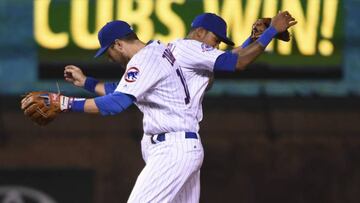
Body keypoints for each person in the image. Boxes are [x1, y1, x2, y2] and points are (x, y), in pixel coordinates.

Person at [65, 11, 297, 202]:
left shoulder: (179, 52)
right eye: (216, 39)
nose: (216, 46)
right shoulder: (183, 50)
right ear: (199, 32)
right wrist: (268, 34)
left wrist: (261, 36)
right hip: (177, 146)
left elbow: (234, 59)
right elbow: (122, 91)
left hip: (174, 147)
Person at [62, 20, 204, 202]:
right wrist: (86, 82)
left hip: (173, 150)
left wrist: (66, 103)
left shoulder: (144, 60)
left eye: (108, 52)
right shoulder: (155, 52)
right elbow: (122, 90)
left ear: (118, 44)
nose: (109, 58)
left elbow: (116, 103)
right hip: (183, 146)